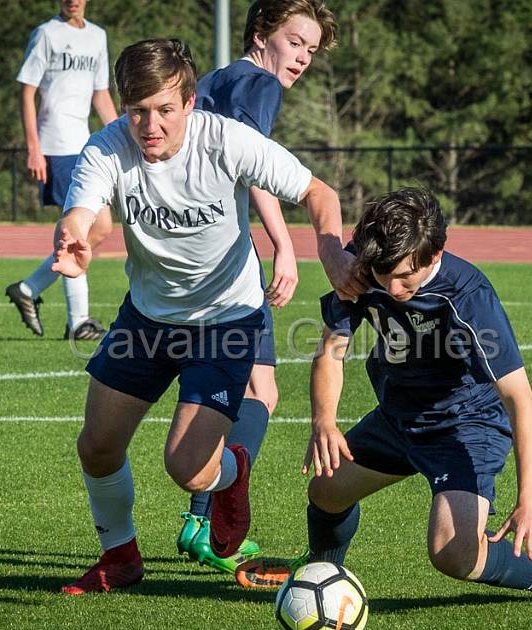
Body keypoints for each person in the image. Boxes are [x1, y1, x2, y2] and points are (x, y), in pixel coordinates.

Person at [52, 38, 356, 594]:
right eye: (138, 109)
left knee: (188, 469)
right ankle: (120, 557)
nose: (150, 125)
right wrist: (73, 234)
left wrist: (333, 253)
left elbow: (319, 193)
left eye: (165, 109)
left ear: (190, 102)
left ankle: (231, 470)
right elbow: (82, 209)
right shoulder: (106, 148)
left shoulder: (229, 141)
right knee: (96, 446)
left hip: (227, 320)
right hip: (147, 319)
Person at [237, 188, 532, 604]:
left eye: (405, 278)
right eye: (383, 275)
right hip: (399, 416)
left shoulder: (469, 297)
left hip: (465, 426)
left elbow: (520, 399)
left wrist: (529, 501)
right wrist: (324, 421)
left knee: (453, 553)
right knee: (326, 488)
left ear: (435, 255)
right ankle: (318, 570)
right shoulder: (368, 262)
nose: (391, 289)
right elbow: (331, 351)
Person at [174, 0, 341, 576]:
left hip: (191, 252)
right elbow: (253, 164)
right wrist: (284, 243)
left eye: (311, 50)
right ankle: (207, 517)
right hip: (226, 260)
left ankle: (200, 515)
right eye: (295, 41)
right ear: (261, 34)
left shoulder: (217, 78)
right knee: (259, 394)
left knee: (252, 384)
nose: (302, 58)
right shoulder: (258, 84)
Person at [5, 0, 116, 341]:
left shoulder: (98, 36)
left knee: (100, 230)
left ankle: (28, 288)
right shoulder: (47, 34)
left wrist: (123, 136)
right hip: (56, 147)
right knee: (82, 232)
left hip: (85, 146)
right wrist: (34, 148)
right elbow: (27, 93)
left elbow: (101, 94)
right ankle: (78, 321)